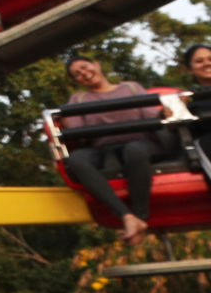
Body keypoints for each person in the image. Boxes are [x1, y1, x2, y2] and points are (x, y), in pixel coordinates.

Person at [62, 54, 169, 244]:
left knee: (134, 150)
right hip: (104, 148)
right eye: (78, 74)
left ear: (97, 64)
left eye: (86, 67)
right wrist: (66, 123)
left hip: (140, 142)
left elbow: (153, 115)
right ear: (76, 81)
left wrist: (165, 111)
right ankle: (126, 216)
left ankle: (141, 217)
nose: (85, 74)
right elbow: (78, 132)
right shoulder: (78, 99)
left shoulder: (130, 88)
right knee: (77, 159)